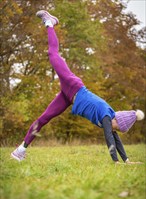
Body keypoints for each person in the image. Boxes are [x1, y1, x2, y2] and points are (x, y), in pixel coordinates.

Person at [11, 10, 145, 164]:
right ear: (117, 121)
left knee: (44, 118)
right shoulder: (107, 116)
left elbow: (116, 139)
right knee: (52, 54)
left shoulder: (110, 118)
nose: (115, 130)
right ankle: (50, 23)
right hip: (73, 85)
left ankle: (21, 150)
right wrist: (116, 162)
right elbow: (109, 137)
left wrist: (127, 161)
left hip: (68, 96)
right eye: (117, 128)